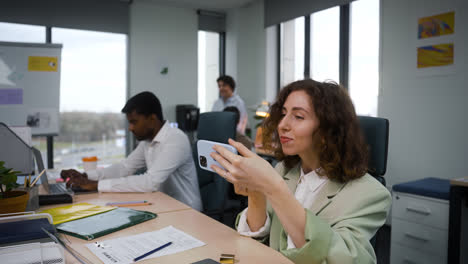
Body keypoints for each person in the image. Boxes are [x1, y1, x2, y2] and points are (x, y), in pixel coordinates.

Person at [209, 79, 391, 263]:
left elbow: (343, 259)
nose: (282, 125)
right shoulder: (284, 170)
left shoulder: (371, 194)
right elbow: (258, 239)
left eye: (298, 116)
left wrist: (274, 188)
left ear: (329, 129)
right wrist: (256, 194)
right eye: (283, 114)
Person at [61, 91, 203, 211]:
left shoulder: (175, 139)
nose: (130, 128)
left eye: (134, 122)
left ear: (152, 119)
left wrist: (96, 185)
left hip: (187, 211)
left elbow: (150, 181)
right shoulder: (147, 141)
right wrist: (86, 176)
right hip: (163, 205)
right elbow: (124, 167)